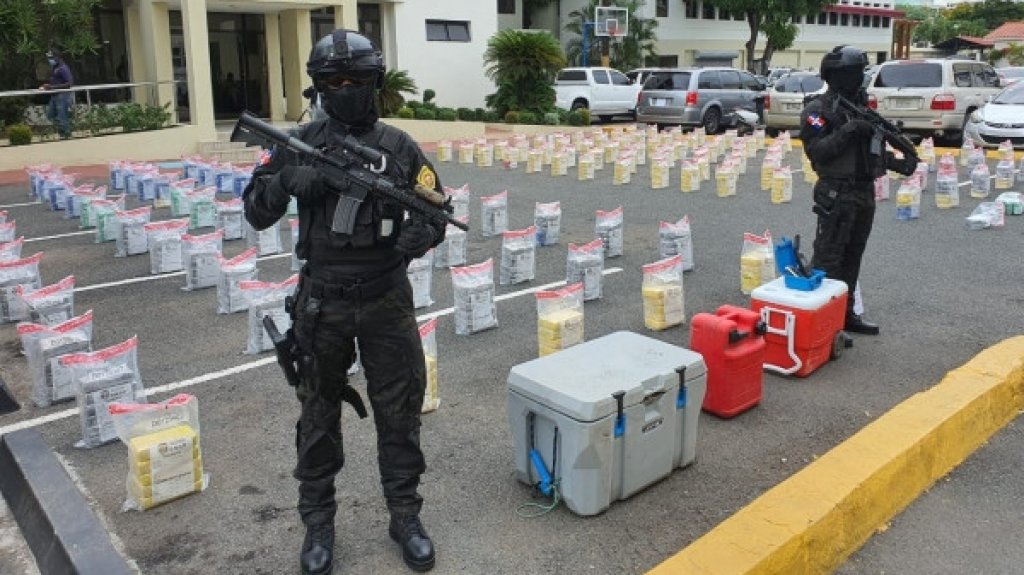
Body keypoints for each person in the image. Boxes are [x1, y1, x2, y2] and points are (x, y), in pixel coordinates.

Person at [243, 29, 445, 574]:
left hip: (386, 300)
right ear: (318, 86)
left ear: (375, 82)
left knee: (399, 414)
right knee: (317, 418)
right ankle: (318, 524)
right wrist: (286, 180)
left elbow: (436, 210)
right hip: (322, 304)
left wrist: (417, 238)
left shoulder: (399, 147)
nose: (346, 89)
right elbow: (256, 212)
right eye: (333, 81)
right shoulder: (297, 142)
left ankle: (405, 515)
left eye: (356, 79)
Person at [800, 45, 916, 335]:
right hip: (836, 193)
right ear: (838, 75)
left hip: (863, 192)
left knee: (853, 257)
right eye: (855, 72)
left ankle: (845, 313)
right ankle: (821, 324)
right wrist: (849, 131)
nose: (860, 78)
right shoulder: (818, 111)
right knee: (828, 259)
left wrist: (898, 162)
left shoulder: (861, 109)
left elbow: (867, 155)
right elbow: (818, 152)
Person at [40, 49, 74, 139]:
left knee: (62, 116)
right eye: (49, 58)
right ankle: (62, 131)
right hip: (55, 95)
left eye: (51, 58)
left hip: (62, 96)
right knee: (51, 115)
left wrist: (52, 87)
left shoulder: (63, 68)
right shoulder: (55, 67)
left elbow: (69, 83)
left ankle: (66, 134)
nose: (50, 60)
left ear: (58, 57)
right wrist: (48, 86)